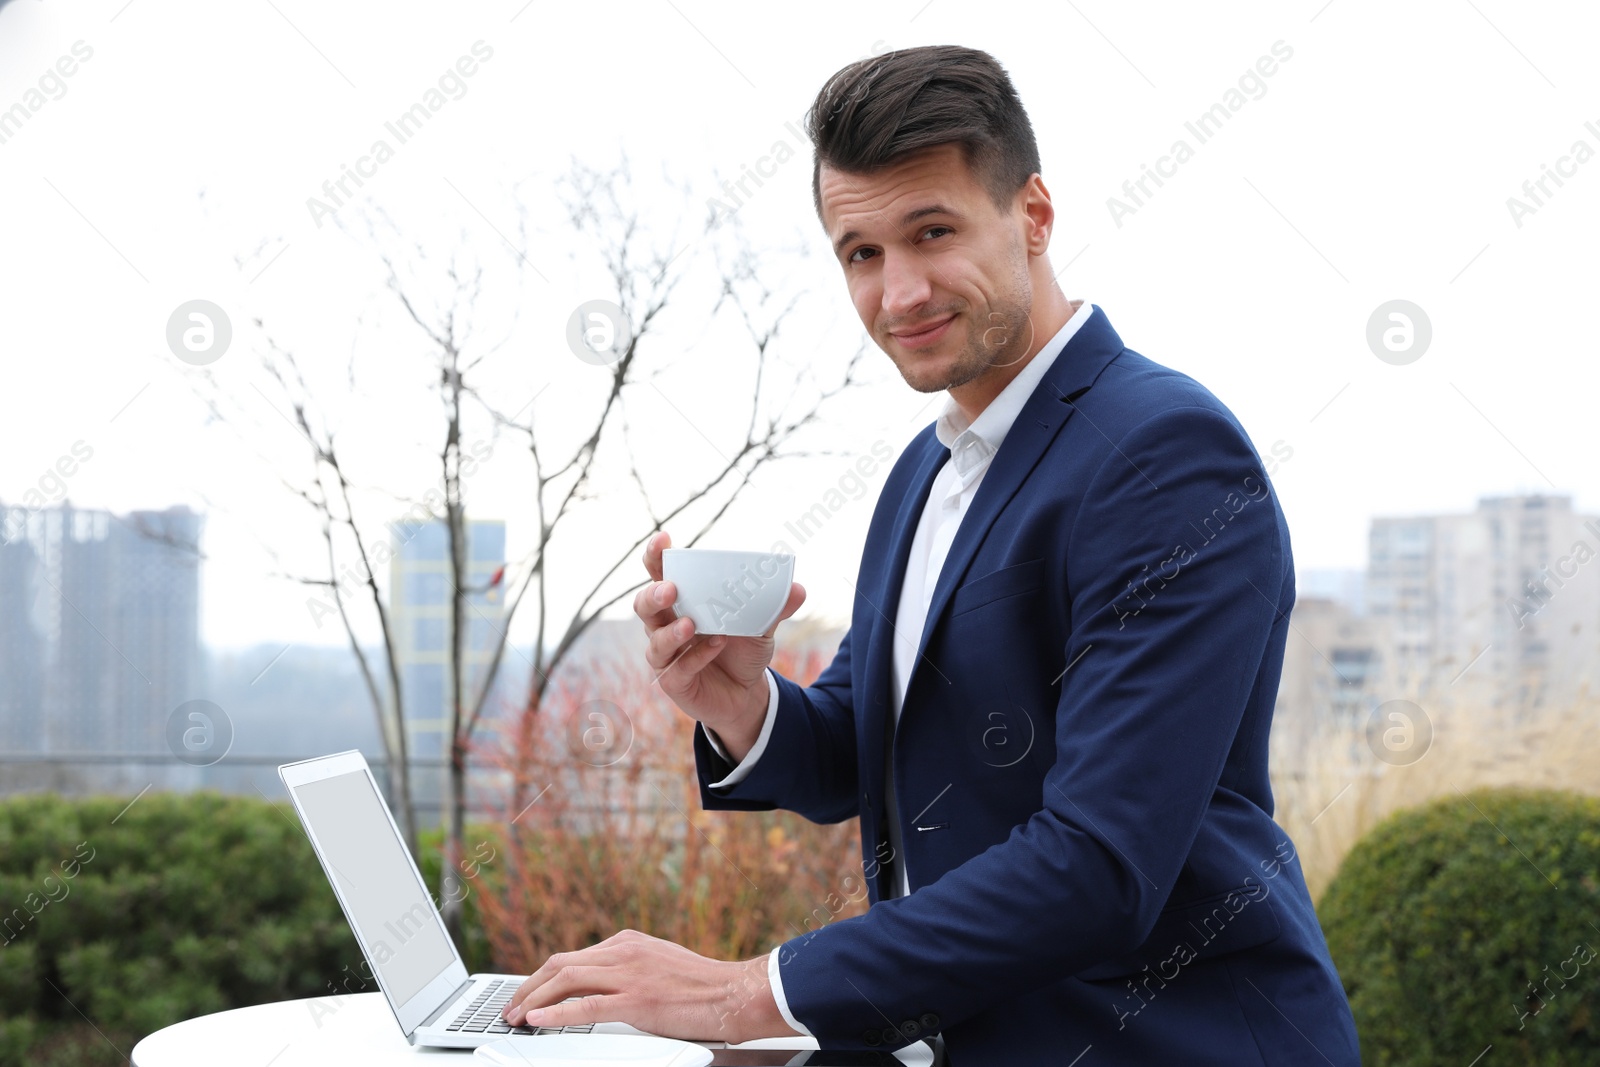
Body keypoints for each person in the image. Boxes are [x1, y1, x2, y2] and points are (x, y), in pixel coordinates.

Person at [506, 44, 1361, 1065]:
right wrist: (743, 700)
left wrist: (745, 993)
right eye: (859, 253)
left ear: (1033, 215)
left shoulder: (1162, 454)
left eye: (932, 232)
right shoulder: (928, 467)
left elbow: (1098, 865)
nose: (898, 291)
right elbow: (861, 752)